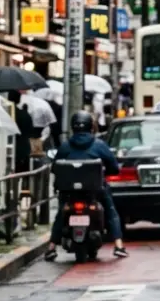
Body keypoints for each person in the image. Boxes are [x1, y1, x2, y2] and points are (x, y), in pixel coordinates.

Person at [44, 111, 128, 260]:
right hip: (96, 191)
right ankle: (118, 245)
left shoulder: (65, 146)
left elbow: (55, 168)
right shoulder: (99, 145)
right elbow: (114, 167)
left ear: (73, 127)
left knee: (61, 213)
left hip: (69, 192)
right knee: (111, 211)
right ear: (91, 126)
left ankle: (51, 248)